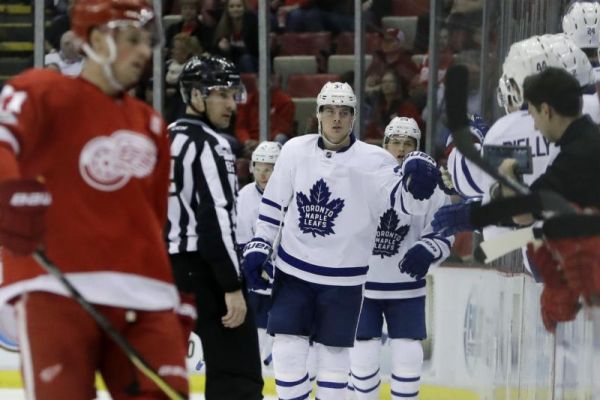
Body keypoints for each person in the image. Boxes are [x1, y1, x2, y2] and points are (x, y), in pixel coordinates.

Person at [0, 0, 190, 399]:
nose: (144, 51)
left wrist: (170, 291)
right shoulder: (40, 90)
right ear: (98, 39)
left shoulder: (150, 123)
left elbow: (152, 218)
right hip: (56, 286)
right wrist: (10, 194)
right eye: (132, 39)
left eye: (147, 41)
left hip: (144, 294)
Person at [241, 81, 442, 400]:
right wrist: (260, 244)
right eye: (330, 111)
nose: (337, 119)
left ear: (353, 118)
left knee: (335, 361)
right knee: (286, 352)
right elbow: (274, 203)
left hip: (344, 280)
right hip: (294, 272)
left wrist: (417, 189)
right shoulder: (294, 150)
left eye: (344, 112)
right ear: (318, 114)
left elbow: (402, 204)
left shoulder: (375, 160)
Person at [166, 54, 263, 400]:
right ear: (194, 95)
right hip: (205, 270)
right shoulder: (212, 145)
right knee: (238, 374)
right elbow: (216, 218)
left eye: (232, 94)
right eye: (220, 94)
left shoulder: (163, 139)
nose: (230, 104)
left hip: (165, 271)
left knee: (159, 372)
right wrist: (231, 285)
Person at [349, 117, 451, 400]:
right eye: (395, 142)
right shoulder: (367, 179)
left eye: (408, 143)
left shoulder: (433, 187)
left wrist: (431, 247)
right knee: (363, 353)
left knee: (408, 352)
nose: (401, 149)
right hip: (364, 284)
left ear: (417, 147)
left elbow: (443, 229)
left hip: (405, 286)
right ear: (385, 144)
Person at [236, 141, 281, 366]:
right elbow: (242, 240)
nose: (263, 175)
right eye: (259, 168)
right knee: (256, 318)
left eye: (269, 168)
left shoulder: (288, 194)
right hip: (255, 271)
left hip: (283, 271)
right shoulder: (245, 196)